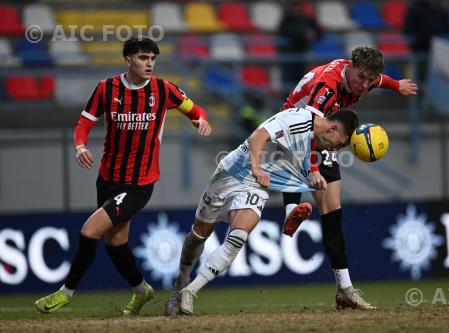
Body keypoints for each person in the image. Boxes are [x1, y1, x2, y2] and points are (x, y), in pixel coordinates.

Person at [34, 36, 212, 316]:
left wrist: (200, 119)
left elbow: (195, 109)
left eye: (153, 59)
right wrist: (80, 146)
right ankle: (142, 292)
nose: (149, 63)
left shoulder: (164, 90)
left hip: (139, 183)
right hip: (107, 179)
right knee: (116, 244)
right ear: (128, 60)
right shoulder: (107, 89)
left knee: (88, 231)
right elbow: (84, 123)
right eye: (143, 58)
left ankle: (65, 293)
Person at [167, 107, 359, 315]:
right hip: (231, 173)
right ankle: (182, 279)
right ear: (332, 129)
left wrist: (313, 174)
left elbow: (301, 156)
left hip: (256, 186)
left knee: (237, 237)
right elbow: (258, 136)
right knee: (199, 234)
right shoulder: (298, 119)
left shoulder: (312, 136)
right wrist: (257, 168)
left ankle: (190, 291)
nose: (334, 150)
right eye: (339, 144)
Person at [278, 46, 417, 310]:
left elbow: (380, 80)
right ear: (350, 67)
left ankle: (345, 290)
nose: (364, 86)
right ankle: (290, 210)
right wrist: (313, 169)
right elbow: (305, 129)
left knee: (333, 212)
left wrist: (396, 85)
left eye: (369, 80)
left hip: (321, 132)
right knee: (299, 152)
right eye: (361, 78)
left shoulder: (366, 78)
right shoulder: (326, 87)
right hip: (291, 127)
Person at [278, 1, 322, 90]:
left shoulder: (307, 19)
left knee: (301, 85)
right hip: (289, 58)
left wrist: (314, 34)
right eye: (295, 6)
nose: (297, 9)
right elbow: (287, 32)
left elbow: (319, 31)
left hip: (303, 57)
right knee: (289, 85)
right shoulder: (286, 20)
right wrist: (304, 35)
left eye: (298, 6)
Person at [403, 0, 449, 83]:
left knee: (439, 80)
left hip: (439, 51)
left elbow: (447, 29)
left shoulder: (441, 9)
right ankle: (420, 94)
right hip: (421, 51)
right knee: (421, 78)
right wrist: (421, 38)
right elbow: (407, 29)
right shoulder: (414, 8)